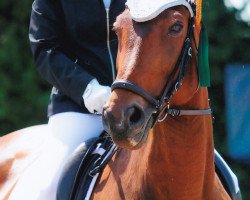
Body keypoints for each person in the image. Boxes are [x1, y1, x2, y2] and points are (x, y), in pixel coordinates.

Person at [9, 0, 126, 199]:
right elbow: (44, 48)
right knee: (47, 187)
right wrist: (87, 88)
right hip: (78, 107)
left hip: (141, 106)